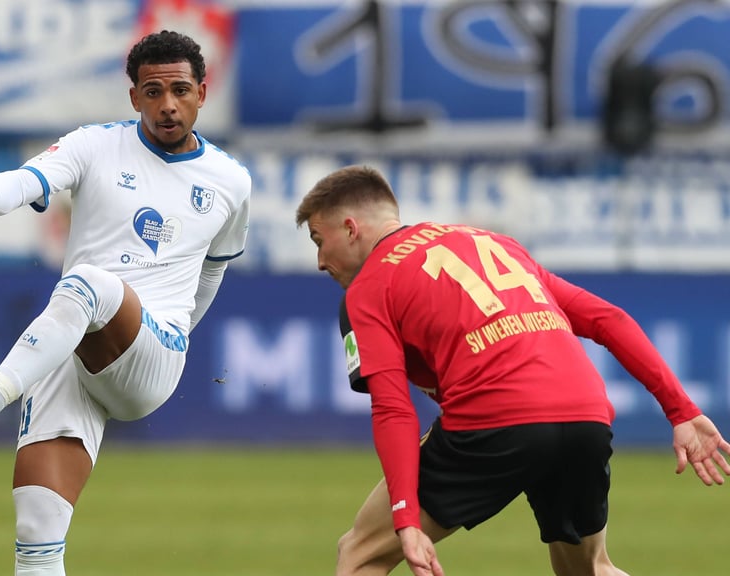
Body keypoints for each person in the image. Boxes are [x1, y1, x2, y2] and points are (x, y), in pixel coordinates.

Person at [0, 30, 250, 576]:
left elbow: (213, 271)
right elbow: (32, 178)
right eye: (153, 91)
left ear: (203, 92)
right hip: (79, 342)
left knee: (87, 282)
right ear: (133, 96)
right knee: (37, 532)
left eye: (180, 90)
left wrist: (176, 330)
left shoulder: (231, 181)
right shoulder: (94, 144)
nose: (168, 105)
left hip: (153, 352)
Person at [294, 165, 730, 576]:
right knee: (589, 569)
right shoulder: (495, 243)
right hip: (586, 417)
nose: (318, 261)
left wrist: (407, 519)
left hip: (495, 423)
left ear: (350, 229)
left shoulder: (369, 289)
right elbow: (608, 319)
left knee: (359, 554)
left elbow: (394, 409)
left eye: (318, 239)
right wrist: (682, 411)